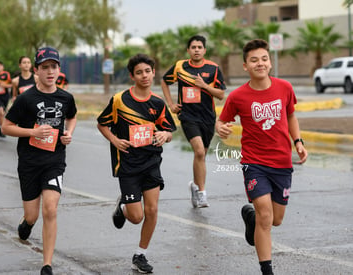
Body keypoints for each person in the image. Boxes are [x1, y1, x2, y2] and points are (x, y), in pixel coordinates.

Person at [215, 39, 308, 275]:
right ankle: (266, 269)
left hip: (282, 162)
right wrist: (220, 127)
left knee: (275, 220)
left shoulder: (284, 88)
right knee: (265, 215)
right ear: (245, 66)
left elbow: (290, 117)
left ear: (270, 62)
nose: (260, 63)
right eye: (254, 60)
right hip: (254, 163)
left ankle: (250, 217)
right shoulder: (237, 96)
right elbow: (222, 120)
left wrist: (298, 142)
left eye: (264, 59)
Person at [1, 46, 77, 275]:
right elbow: (6, 127)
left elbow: (72, 117)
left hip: (54, 160)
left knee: (50, 210)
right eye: (45, 67)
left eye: (54, 67)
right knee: (33, 214)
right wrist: (32, 133)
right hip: (29, 162)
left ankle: (47, 264)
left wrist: (69, 133)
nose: (50, 71)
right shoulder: (26, 99)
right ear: (36, 71)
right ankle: (28, 224)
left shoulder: (66, 97)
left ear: (59, 70)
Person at [97, 53, 176, 273]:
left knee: (152, 210)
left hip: (151, 162)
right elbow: (101, 124)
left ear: (153, 73)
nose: (144, 76)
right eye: (139, 72)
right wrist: (114, 139)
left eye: (148, 71)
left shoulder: (158, 104)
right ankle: (123, 207)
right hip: (128, 165)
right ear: (132, 76)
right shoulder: (120, 100)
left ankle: (140, 254)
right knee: (136, 216)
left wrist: (164, 136)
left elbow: (169, 130)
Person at [161, 35, 226, 208]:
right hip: (188, 116)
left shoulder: (213, 68)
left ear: (204, 50)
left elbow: (221, 95)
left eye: (199, 47)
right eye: (193, 47)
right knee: (198, 152)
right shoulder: (180, 66)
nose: (196, 50)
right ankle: (202, 193)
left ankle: (195, 188)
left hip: (207, 117)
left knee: (201, 155)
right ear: (188, 50)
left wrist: (204, 85)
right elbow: (164, 81)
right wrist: (171, 104)